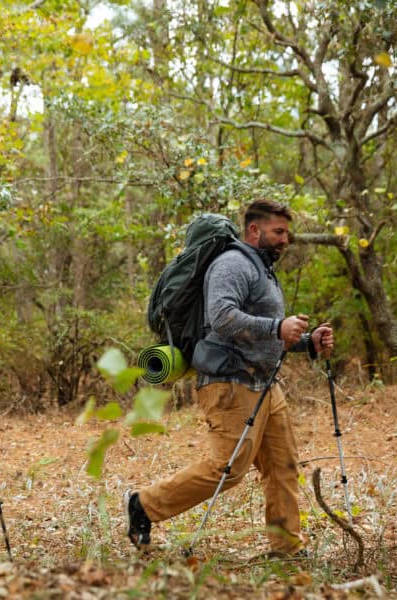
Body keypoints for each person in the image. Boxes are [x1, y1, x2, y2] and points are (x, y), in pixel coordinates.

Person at [125, 199, 334, 555]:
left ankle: (286, 548)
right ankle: (143, 504)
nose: (286, 239)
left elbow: (266, 335)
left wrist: (306, 343)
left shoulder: (263, 268)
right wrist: (277, 326)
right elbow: (221, 318)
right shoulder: (232, 264)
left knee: (282, 466)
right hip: (231, 384)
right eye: (278, 232)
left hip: (266, 385)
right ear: (255, 230)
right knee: (226, 469)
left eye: (287, 232)